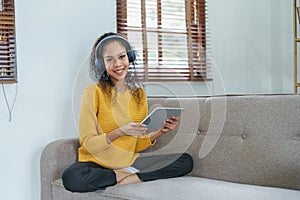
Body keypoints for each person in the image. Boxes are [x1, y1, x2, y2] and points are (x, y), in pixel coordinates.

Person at [62, 32, 193, 192]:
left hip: (130, 163)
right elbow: (89, 144)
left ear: (129, 57)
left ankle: (129, 178)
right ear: (101, 64)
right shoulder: (92, 92)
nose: (117, 64)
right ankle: (120, 175)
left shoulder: (139, 94)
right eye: (110, 59)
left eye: (122, 56)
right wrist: (119, 132)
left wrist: (160, 132)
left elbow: (136, 144)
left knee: (185, 161)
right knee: (72, 177)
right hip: (98, 165)